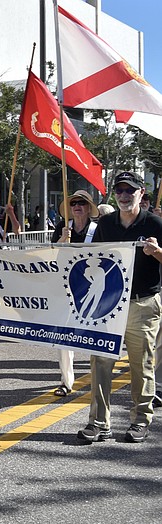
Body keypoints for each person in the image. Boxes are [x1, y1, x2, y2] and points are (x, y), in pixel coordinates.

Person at [78, 171, 162, 443]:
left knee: (141, 365)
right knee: (100, 362)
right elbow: (94, 257)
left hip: (142, 303)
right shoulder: (106, 223)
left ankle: (140, 420)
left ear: (141, 194)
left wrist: (157, 252)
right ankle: (98, 423)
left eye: (130, 190)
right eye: (119, 190)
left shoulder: (155, 223)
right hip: (109, 304)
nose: (124, 196)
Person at [51, 189, 99, 396]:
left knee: (96, 336)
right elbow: (50, 255)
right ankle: (66, 381)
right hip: (66, 287)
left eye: (81, 203)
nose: (77, 206)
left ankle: (98, 379)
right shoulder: (62, 228)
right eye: (73, 203)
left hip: (92, 288)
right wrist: (62, 240)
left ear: (89, 208)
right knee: (64, 336)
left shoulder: (98, 229)